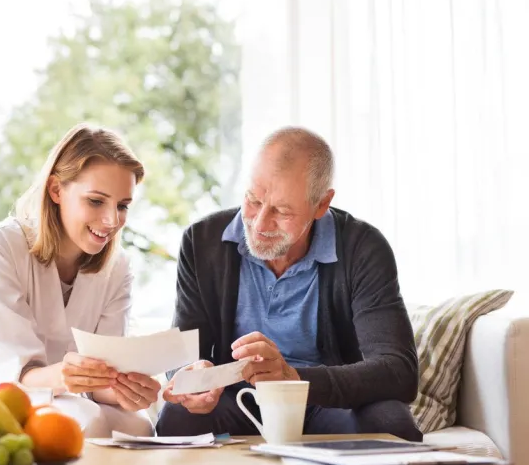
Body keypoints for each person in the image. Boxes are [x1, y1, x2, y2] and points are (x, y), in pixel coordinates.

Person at [156, 126, 423, 442]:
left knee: (391, 421)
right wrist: (192, 378)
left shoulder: (363, 248)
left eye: (282, 211)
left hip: (325, 401)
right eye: (253, 200)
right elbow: (183, 353)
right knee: (177, 418)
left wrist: (292, 378)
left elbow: (398, 371)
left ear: (321, 205)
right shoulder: (201, 242)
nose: (259, 223)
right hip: (240, 399)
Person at [0, 123, 160, 437]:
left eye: (122, 206)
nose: (112, 221)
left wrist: (128, 390)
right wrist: (69, 377)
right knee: (84, 420)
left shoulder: (118, 267)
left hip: (50, 398)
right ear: (56, 190)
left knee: (139, 425)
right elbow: (17, 374)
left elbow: (101, 387)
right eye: (96, 201)